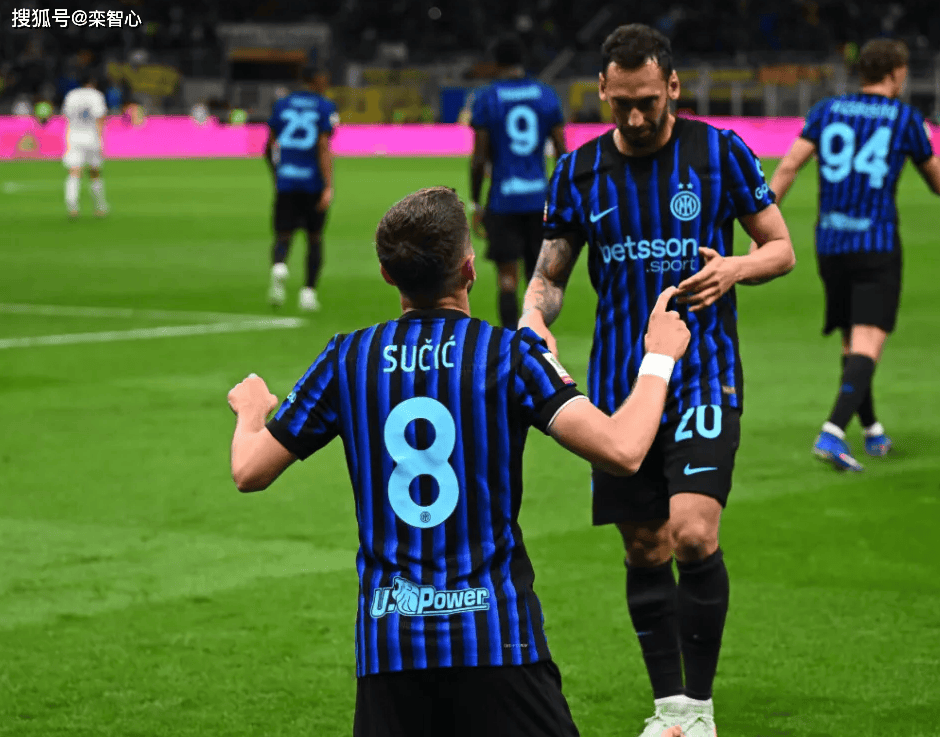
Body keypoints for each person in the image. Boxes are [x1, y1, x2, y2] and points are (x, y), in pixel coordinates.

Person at [227, 186, 692, 737]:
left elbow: (248, 471)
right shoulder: (508, 355)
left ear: (387, 275)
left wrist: (251, 411)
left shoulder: (347, 358)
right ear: (469, 269)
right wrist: (659, 356)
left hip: (390, 646)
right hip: (495, 638)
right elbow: (623, 449)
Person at [518, 24, 796, 737]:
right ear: (602, 92)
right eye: (622, 104)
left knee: (693, 533)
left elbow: (780, 248)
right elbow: (551, 275)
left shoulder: (719, 152)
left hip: (703, 374)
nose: (637, 117)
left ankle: (698, 709)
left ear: (672, 86)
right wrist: (533, 314)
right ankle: (670, 707)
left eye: (649, 100)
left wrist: (734, 268)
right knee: (644, 545)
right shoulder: (578, 172)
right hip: (622, 387)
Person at [769, 37, 940, 471]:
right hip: (875, 243)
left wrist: (761, 227)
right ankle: (833, 432)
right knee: (869, 340)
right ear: (897, 73)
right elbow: (937, 181)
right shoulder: (905, 118)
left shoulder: (826, 110)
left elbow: (787, 166)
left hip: (830, 243)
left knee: (852, 341)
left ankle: (872, 429)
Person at [469, 34, 567, 328]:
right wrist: (562, 197)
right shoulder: (546, 95)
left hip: (503, 200)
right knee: (540, 280)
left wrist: (476, 202)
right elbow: (561, 152)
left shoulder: (487, 98)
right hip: (539, 200)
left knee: (507, 278)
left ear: (496, 62)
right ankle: (538, 341)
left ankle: (510, 342)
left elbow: (479, 158)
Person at [264, 63, 338, 312]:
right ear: (315, 79)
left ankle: (279, 267)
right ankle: (308, 293)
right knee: (314, 238)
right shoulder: (324, 106)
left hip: (286, 181)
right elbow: (323, 147)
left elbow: (268, 146)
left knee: (282, 234)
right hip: (312, 182)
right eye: (324, 78)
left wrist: (277, 174)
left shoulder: (282, 104)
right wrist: (328, 186)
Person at [61, 74, 109, 218]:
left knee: (74, 172)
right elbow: (100, 118)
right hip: (91, 136)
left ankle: (72, 207)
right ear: (93, 83)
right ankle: (99, 207)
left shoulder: (71, 95)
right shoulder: (96, 95)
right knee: (94, 172)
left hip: (74, 136)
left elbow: (66, 115)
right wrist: (100, 139)